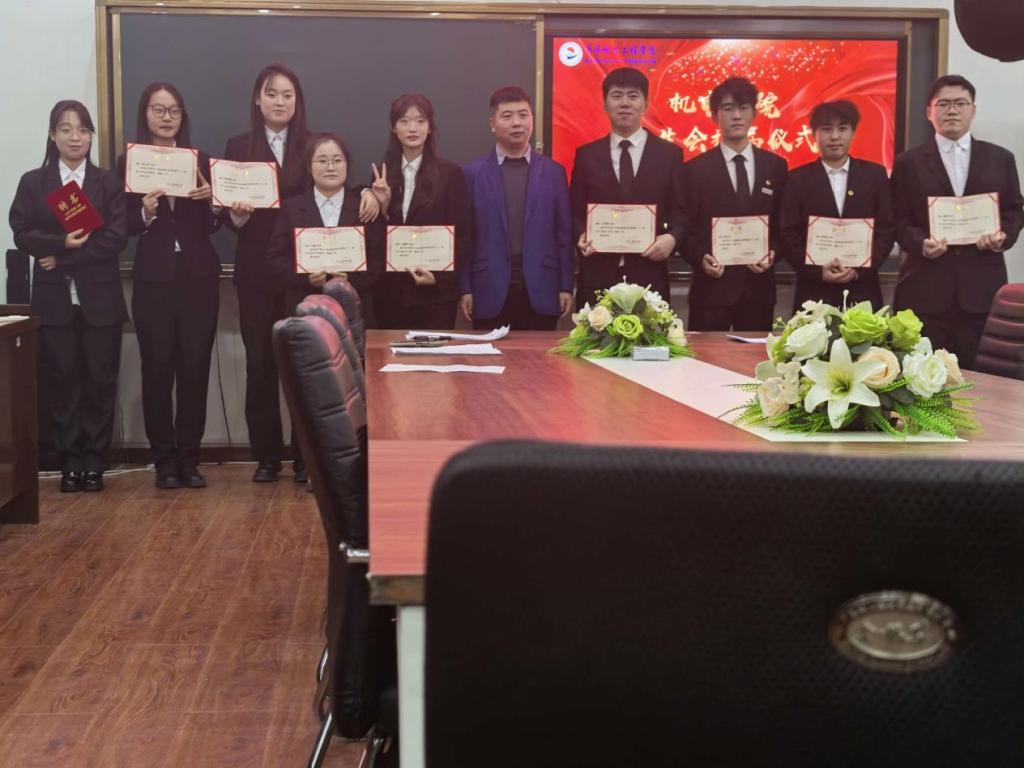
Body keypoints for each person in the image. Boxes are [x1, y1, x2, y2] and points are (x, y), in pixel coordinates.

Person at [9, 100, 127, 493]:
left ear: (91, 136)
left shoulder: (107, 183)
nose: (75, 137)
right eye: (66, 129)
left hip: (100, 299)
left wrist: (61, 259)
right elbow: (21, 232)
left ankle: (95, 463)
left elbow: (115, 239)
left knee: (99, 382)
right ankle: (70, 464)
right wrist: (59, 242)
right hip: (53, 300)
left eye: (82, 130)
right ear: (52, 134)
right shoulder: (34, 182)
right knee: (62, 381)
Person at [117, 83, 220, 490]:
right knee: (157, 369)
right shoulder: (129, 162)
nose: (166, 117)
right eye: (158, 109)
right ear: (145, 114)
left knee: (195, 369)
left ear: (183, 116)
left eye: (173, 110)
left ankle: (189, 459)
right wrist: (144, 212)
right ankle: (164, 461)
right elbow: (121, 225)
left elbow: (213, 225)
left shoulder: (201, 160)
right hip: (153, 279)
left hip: (198, 279)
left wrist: (212, 202)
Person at [891, 74, 1024, 368]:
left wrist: (1003, 236)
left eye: (960, 103)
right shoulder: (908, 163)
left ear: (973, 110)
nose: (952, 110)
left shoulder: (1000, 158)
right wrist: (921, 243)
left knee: (983, 379)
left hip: (981, 290)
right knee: (922, 378)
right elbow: (897, 219)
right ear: (929, 112)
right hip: (926, 290)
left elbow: (1015, 210)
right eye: (943, 104)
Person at [224, 63, 311, 483]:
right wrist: (236, 214)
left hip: (301, 272)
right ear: (257, 100)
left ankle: (305, 457)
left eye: (287, 94)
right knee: (260, 365)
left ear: (297, 101)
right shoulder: (238, 146)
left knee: (303, 366)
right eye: (272, 93)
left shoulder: (313, 146)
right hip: (256, 272)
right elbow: (228, 216)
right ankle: (266, 457)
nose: (280, 101)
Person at [570, 67, 686, 306]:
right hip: (597, 275)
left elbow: (682, 211)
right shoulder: (586, 155)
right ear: (605, 104)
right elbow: (574, 211)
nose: (625, 103)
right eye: (616, 96)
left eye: (633, 96)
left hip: (650, 275)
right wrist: (580, 234)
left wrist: (673, 239)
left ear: (645, 104)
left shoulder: (670, 155)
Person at [459, 86, 573, 330]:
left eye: (523, 115)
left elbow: (563, 235)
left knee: (539, 355)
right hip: (487, 288)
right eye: (507, 116)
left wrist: (566, 285)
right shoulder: (472, 174)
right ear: (492, 123)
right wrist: (465, 287)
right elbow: (465, 237)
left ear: (532, 119)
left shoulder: (554, 172)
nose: (517, 123)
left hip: (542, 287)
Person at [684, 77, 788, 331]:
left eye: (743, 108)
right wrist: (699, 258)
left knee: (755, 356)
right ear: (714, 116)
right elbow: (685, 226)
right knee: (705, 356)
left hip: (758, 289)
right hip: (711, 289)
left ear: (754, 114)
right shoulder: (695, 169)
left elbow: (784, 224)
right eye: (728, 109)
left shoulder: (775, 166)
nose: (736, 116)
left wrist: (773, 253)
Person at [365, 93, 471, 330]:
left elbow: (463, 237)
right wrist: (383, 207)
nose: (412, 128)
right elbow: (373, 236)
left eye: (420, 121)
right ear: (393, 127)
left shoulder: (450, 174)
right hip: (391, 293)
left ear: (430, 127)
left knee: (434, 354)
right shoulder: (381, 174)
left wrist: (439, 278)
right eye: (404, 121)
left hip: (435, 294)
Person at [780, 100, 895, 311]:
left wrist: (860, 269)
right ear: (814, 134)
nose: (834, 137)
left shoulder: (875, 175)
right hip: (813, 293)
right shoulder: (796, 179)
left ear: (853, 132)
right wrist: (817, 272)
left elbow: (886, 228)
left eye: (842, 129)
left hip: (863, 291)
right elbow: (788, 233)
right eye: (826, 129)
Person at [266, 132, 385, 320]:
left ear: (347, 165)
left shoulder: (366, 207)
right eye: (322, 161)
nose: (330, 167)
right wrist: (306, 279)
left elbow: (378, 259)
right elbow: (276, 257)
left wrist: (350, 280)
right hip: (303, 308)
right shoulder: (291, 208)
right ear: (309, 166)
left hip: (355, 309)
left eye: (337, 160)